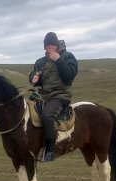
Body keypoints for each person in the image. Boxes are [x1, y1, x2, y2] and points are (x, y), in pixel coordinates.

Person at [29, 32, 78, 162]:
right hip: (43, 95)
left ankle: (50, 149)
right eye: (47, 45)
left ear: (57, 45)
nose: (50, 47)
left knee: (47, 115)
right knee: (27, 111)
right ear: (44, 47)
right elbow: (35, 76)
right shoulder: (40, 62)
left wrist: (58, 60)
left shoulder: (68, 56)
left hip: (60, 95)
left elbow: (69, 76)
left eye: (52, 45)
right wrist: (33, 79)